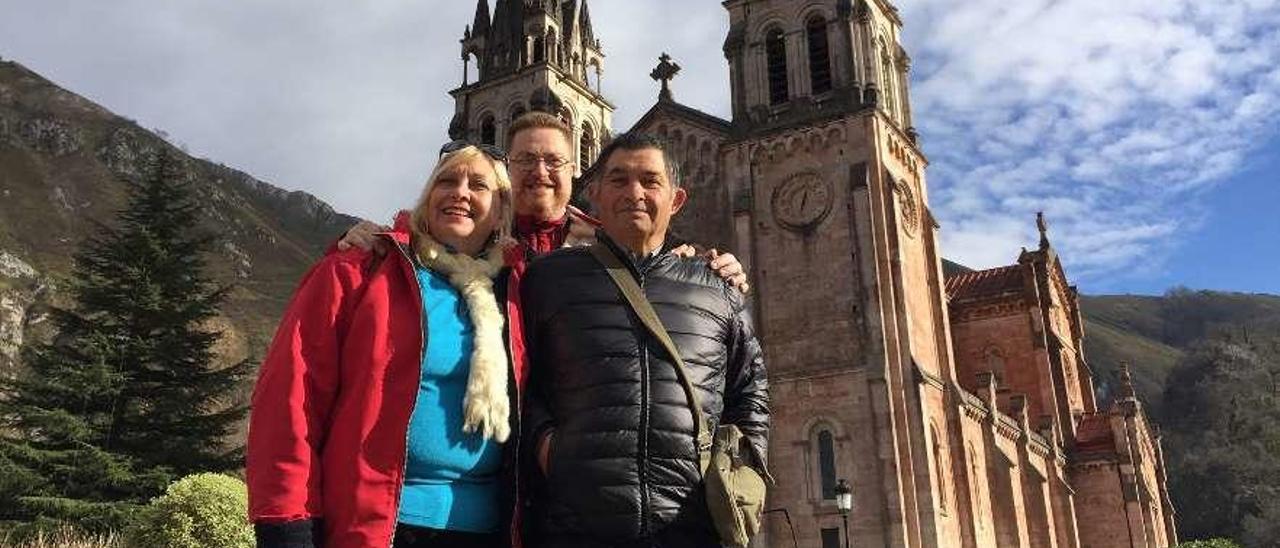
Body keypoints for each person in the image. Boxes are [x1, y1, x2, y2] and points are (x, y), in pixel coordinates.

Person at [247, 143, 529, 548]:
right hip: (379, 525)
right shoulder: (360, 270)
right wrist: (286, 524)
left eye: (478, 185)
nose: (460, 192)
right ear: (427, 197)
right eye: (446, 181)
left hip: (489, 529)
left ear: (501, 211)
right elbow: (290, 396)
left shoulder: (518, 291)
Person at [519, 133, 770, 548]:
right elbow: (520, 378)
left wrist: (745, 468)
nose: (634, 192)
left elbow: (752, 390)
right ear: (594, 194)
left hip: (691, 527)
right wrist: (549, 449)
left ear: (676, 200)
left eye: (650, 181)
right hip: (575, 527)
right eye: (618, 180)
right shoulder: (547, 278)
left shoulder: (717, 286)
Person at [337, 112, 750, 291]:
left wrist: (719, 270)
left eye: (553, 161)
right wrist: (363, 238)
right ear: (506, 168)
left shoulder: (610, 242)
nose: (540, 171)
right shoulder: (472, 233)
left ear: (573, 168)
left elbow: (667, 262)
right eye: (525, 160)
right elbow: (413, 241)